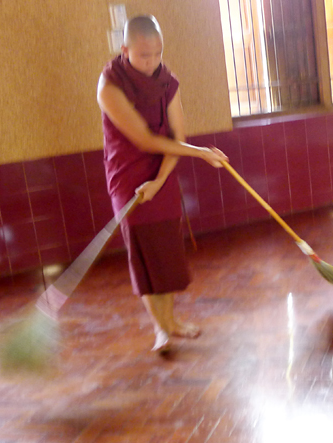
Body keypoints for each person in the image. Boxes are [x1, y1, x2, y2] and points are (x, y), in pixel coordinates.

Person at [97, 14, 227, 353]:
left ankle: (173, 322)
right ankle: (160, 329)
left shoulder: (167, 81)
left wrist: (159, 180)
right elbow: (145, 140)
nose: (152, 62)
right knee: (145, 256)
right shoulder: (110, 86)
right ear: (124, 50)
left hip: (163, 174)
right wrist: (199, 153)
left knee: (166, 253)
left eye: (157, 54)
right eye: (143, 56)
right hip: (128, 178)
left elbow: (174, 137)